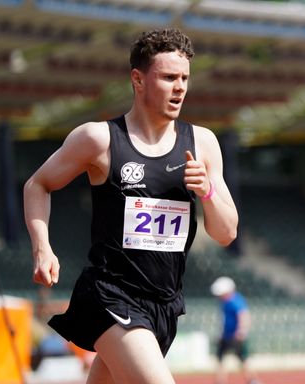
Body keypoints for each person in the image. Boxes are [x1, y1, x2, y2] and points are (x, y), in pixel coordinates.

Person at [24, 28, 238, 384]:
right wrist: (42, 247)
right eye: (169, 77)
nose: (180, 87)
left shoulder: (202, 143)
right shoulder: (100, 139)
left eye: (185, 78)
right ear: (138, 80)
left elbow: (227, 232)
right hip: (110, 294)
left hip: (165, 303)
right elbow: (38, 184)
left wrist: (208, 192)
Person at [210, 276, 260, 384]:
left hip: (236, 336)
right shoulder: (224, 302)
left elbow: (244, 315)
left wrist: (241, 331)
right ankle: (220, 381)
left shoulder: (235, 301)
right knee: (220, 359)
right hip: (226, 335)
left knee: (243, 359)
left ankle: (253, 380)